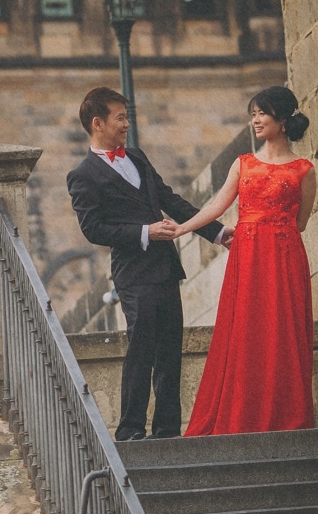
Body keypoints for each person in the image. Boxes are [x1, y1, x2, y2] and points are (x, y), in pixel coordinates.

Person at [66, 87, 231, 441]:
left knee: (171, 350)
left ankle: (168, 431)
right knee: (141, 348)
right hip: (133, 274)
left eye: (127, 116)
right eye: (120, 117)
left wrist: (217, 233)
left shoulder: (137, 157)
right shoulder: (83, 175)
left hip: (166, 267)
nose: (127, 123)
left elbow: (170, 199)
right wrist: (144, 232)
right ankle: (129, 431)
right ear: (98, 123)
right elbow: (93, 229)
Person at [175, 85, 317, 435]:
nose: (255, 120)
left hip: (284, 258)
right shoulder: (244, 164)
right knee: (245, 333)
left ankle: (285, 418)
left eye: (262, 113)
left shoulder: (304, 170)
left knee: (282, 333)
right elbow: (216, 207)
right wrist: (181, 229)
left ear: (282, 119)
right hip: (248, 257)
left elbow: (301, 222)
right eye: (252, 114)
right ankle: (243, 416)